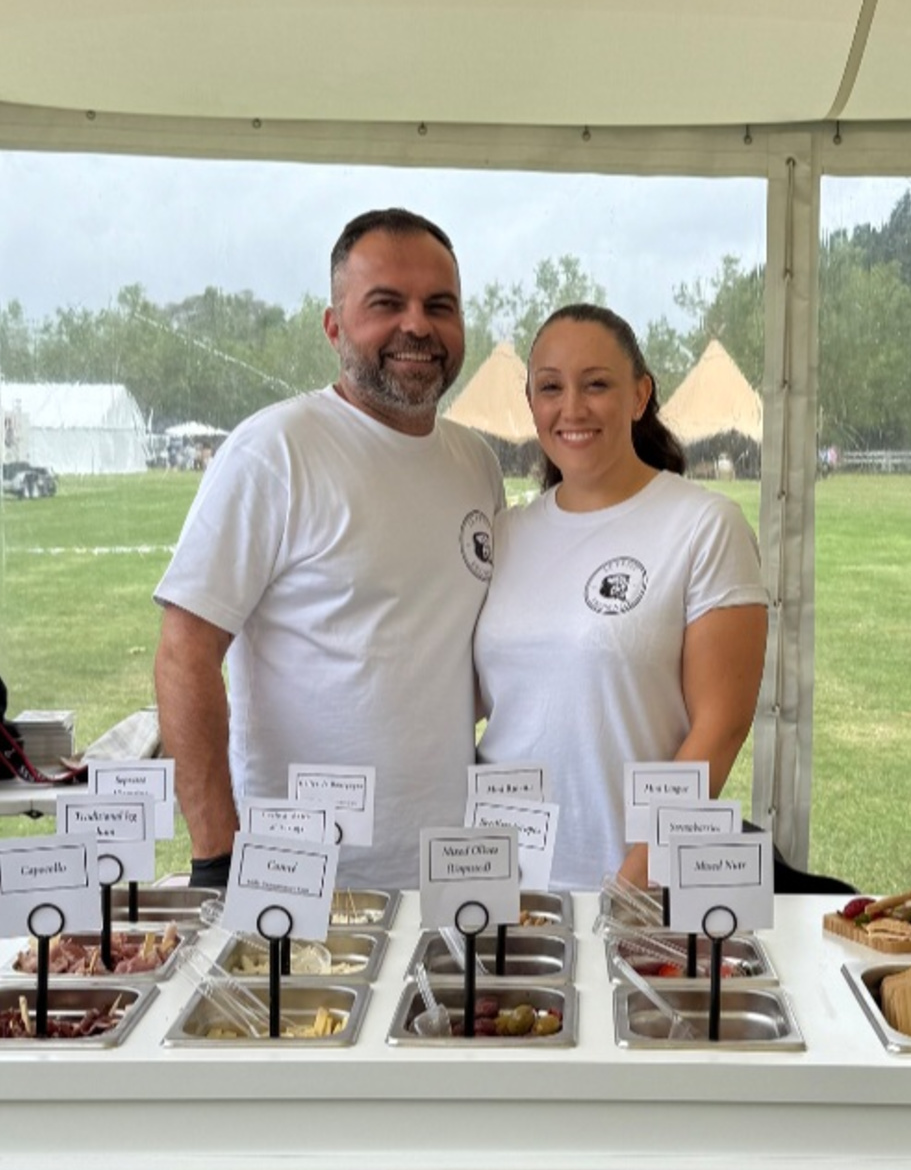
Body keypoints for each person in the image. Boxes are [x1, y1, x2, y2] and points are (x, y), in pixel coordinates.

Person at [153, 210, 504, 887]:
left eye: (440, 305)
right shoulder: (275, 451)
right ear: (334, 325)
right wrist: (218, 859)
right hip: (302, 879)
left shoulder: (475, 463)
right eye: (386, 304)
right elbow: (183, 656)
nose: (417, 325)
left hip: (453, 870)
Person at [475, 303, 767, 891]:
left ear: (639, 396)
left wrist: (638, 875)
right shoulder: (504, 534)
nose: (572, 409)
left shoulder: (704, 525)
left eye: (597, 385)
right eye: (551, 388)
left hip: (631, 878)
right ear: (531, 403)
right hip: (503, 884)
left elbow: (721, 725)